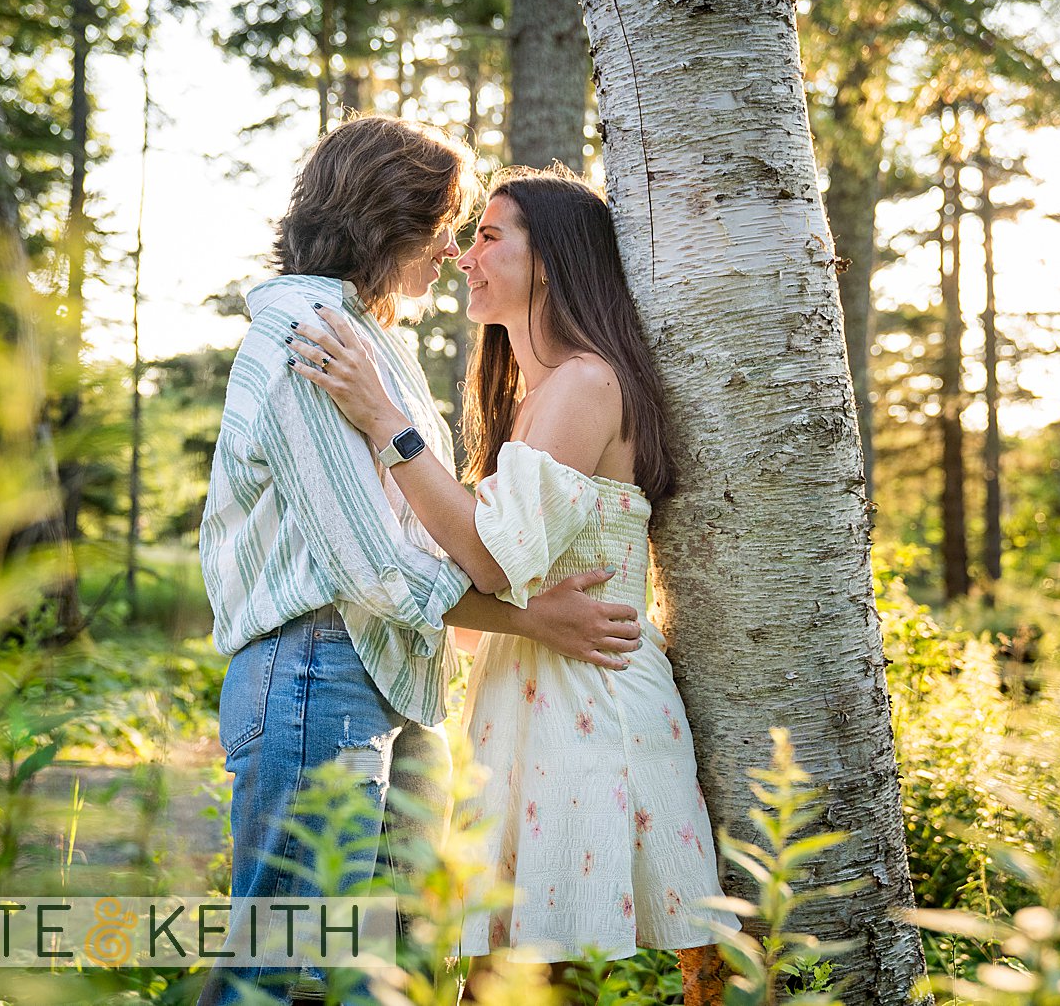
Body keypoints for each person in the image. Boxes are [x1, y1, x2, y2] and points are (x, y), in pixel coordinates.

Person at [197, 121, 643, 1006]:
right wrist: (528, 619)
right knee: (281, 969)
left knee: (389, 976)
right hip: (316, 669)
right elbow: (379, 566)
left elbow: (434, 522)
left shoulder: (372, 336)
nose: (451, 247)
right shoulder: (309, 336)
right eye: (443, 223)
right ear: (381, 219)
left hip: (394, 679)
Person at [287, 168, 737, 997]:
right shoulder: (536, 400)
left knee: (536, 975)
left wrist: (383, 418)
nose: (464, 256)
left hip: (587, 709)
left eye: (491, 236)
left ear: (553, 262)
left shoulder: (587, 383)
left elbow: (489, 562)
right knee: (502, 974)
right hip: (524, 704)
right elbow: (473, 596)